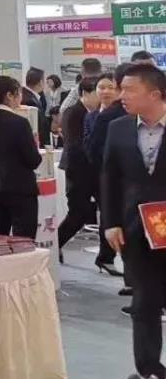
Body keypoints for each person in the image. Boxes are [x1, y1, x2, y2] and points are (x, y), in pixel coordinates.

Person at [102, 63, 166, 379]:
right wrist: (110, 221)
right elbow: (109, 177)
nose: (120, 95)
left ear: (154, 94)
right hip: (136, 229)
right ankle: (151, 372)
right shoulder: (118, 129)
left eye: (129, 89)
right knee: (144, 301)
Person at [56, 76, 117, 266]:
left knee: (107, 212)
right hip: (79, 172)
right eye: (99, 89)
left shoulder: (98, 113)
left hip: (95, 173)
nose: (103, 94)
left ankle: (106, 257)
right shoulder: (74, 113)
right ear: (86, 93)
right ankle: (54, 245)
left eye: (109, 88)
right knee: (78, 214)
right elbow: (75, 145)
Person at [0, 76, 42, 239]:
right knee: (23, 239)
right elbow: (33, 160)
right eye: (19, 93)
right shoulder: (19, 122)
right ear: (9, 95)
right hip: (20, 187)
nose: (21, 97)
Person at [21, 67, 50, 147]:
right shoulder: (29, 100)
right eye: (45, 81)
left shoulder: (29, 96)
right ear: (40, 82)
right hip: (35, 144)